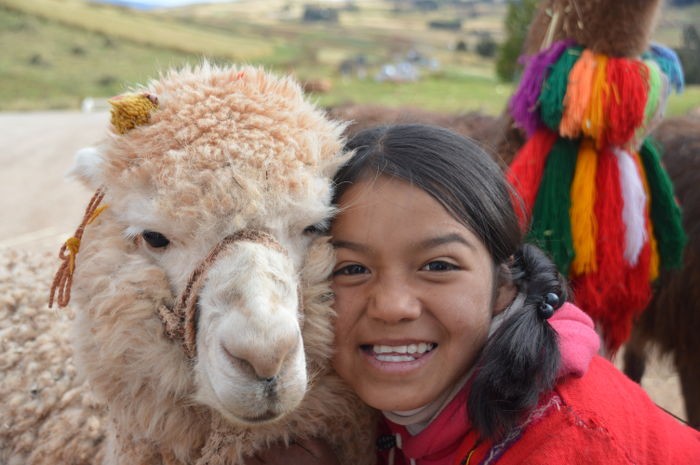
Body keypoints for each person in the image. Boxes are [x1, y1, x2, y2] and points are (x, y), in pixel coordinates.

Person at [250, 124, 700, 465]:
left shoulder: (570, 440)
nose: (391, 305)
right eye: (351, 269)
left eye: (438, 266)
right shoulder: (394, 413)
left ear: (504, 283)